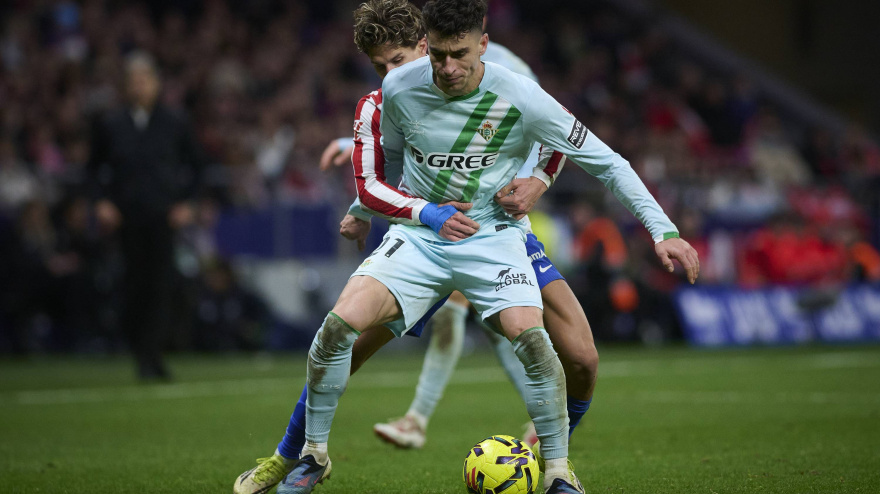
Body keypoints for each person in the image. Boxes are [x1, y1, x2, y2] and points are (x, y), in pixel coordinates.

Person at [285, 0, 697, 492]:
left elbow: (595, 156)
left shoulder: (518, 85)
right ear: (425, 44)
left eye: (458, 54)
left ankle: (555, 467)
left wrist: (661, 230)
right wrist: (359, 203)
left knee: (574, 356)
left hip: (495, 231)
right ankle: (300, 455)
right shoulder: (399, 86)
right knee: (341, 334)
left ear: (483, 43)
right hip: (421, 235)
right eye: (437, 56)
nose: (446, 68)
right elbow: (394, 147)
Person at [88, 52, 204, 381]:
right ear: (126, 86)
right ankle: (142, 353)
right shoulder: (111, 124)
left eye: (145, 80)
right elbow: (93, 171)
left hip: (162, 219)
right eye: (133, 81)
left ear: (156, 84)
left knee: (161, 287)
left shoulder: (174, 122)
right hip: (125, 219)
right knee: (132, 287)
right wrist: (101, 202)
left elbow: (198, 167)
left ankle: (151, 356)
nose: (139, 87)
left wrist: (188, 204)